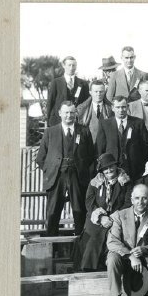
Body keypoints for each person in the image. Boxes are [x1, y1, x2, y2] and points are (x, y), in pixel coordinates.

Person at [35, 101, 96, 235]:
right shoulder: (50, 132)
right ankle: (52, 250)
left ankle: (79, 251)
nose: (69, 115)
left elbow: (91, 156)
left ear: (76, 114)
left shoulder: (84, 131)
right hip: (56, 177)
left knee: (79, 212)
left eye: (72, 112)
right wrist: (51, 171)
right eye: (66, 112)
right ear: (60, 114)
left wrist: (86, 173)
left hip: (78, 177)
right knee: (52, 214)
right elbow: (40, 158)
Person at [105, 183, 148, 296]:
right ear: (132, 200)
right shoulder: (119, 215)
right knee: (112, 258)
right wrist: (130, 256)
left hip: (144, 256)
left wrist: (144, 249)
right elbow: (112, 242)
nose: (140, 202)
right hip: (125, 256)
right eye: (137, 198)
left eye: (144, 198)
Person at [77, 153, 132, 271]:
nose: (109, 170)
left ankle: (108, 266)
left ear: (116, 166)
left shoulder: (125, 181)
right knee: (91, 238)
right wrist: (101, 217)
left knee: (112, 237)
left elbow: (128, 203)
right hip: (97, 217)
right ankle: (88, 268)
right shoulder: (95, 182)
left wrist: (113, 218)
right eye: (105, 168)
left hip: (118, 218)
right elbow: (89, 202)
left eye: (111, 166)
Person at [96, 95, 148, 179]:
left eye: (123, 107)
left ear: (128, 107)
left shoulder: (138, 123)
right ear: (112, 108)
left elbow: (145, 147)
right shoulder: (104, 124)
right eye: (118, 107)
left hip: (134, 169)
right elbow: (100, 148)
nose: (121, 110)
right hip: (112, 169)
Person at [46, 56, 89, 126]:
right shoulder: (56, 83)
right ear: (64, 66)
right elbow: (50, 102)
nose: (71, 68)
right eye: (69, 65)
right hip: (58, 122)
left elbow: (86, 103)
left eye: (74, 65)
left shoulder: (83, 84)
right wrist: (48, 121)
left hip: (77, 122)